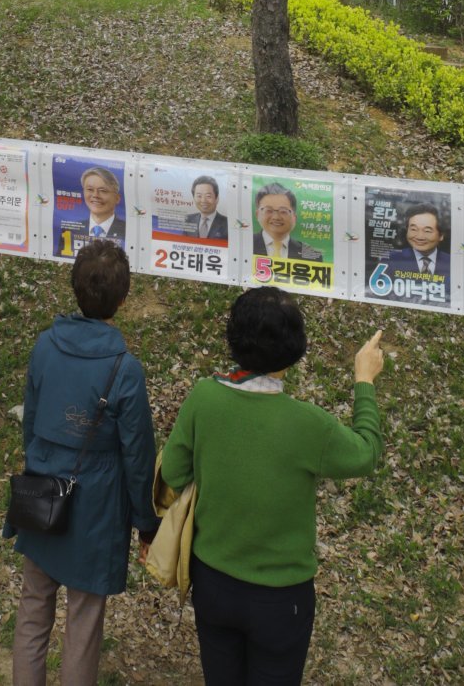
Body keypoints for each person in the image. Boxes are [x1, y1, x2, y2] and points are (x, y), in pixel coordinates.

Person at [157, 289, 386, 686]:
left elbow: (173, 474)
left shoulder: (203, 396)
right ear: (294, 350)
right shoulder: (309, 425)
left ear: (233, 339)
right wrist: (364, 380)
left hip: (213, 582)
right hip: (282, 600)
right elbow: (366, 453)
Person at [9, 240, 158, 686]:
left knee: (33, 607)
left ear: (73, 287)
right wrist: (145, 520)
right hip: (96, 505)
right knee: (84, 621)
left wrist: (38, 463)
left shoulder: (44, 347)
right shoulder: (124, 369)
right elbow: (138, 454)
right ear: (124, 299)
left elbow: (31, 422)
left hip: (43, 493)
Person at [251, 183, 324, 263]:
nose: (276, 217)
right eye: (269, 210)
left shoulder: (312, 255)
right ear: (257, 214)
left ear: (294, 218)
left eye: (283, 211)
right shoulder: (244, 244)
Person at [384, 204, 451, 292]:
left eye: (427, 231)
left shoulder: (452, 263)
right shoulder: (391, 260)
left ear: (441, 235)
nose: (419, 236)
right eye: (413, 229)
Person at [62, 166, 125, 252]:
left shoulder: (128, 231)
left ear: (117, 198)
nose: (95, 195)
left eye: (103, 190)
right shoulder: (69, 230)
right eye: (90, 189)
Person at [185, 175, 228, 242]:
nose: (203, 200)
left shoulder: (227, 223)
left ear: (217, 199)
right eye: (199, 196)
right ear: (194, 198)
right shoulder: (187, 220)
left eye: (208, 196)